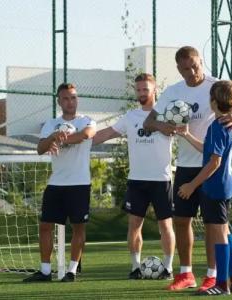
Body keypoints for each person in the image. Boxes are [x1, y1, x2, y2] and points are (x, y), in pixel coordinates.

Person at [143, 46, 232, 291]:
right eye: (186, 68)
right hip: (186, 166)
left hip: (211, 168)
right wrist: (162, 127)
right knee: (181, 219)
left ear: (201, 61)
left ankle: (214, 275)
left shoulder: (217, 87)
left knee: (214, 225)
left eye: (195, 66)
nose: (192, 72)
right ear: (178, 69)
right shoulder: (172, 92)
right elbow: (149, 122)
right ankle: (186, 274)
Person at [93, 73, 175, 280]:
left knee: (165, 226)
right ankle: (135, 267)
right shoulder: (130, 118)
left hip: (162, 179)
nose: (141, 93)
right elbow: (108, 133)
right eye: (138, 90)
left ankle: (168, 267)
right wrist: (81, 140)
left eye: (145, 89)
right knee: (134, 225)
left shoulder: (167, 114)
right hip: (137, 180)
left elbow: (175, 131)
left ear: (154, 89)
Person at [177, 80, 232, 295]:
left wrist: (191, 185)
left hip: (216, 187)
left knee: (218, 234)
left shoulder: (217, 126)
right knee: (224, 231)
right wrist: (186, 134)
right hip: (227, 184)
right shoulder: (229, 124)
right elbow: (208, 150)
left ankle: (221, 284)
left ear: (213, 102)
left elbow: (214, 162)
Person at [23, 83, 96, 283]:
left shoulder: (86, 121)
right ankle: (45, 271)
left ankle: (71, 271)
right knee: (45, 226)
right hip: (56, 184)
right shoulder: (50, 124)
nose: (70, 102)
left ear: (77, 99)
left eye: (73, 98)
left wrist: (61, 139)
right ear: (59, 101)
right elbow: (40, 148)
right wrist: (53, 136)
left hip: (79, 184)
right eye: (65, 98)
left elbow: (85, 135)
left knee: (78, 227)